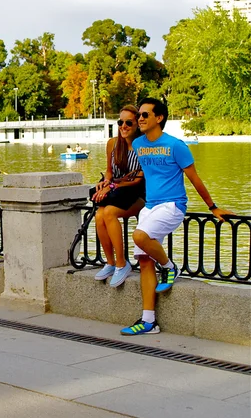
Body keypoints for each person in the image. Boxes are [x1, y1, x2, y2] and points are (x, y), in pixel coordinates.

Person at [120, 98, 233, 336]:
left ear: (159, 118)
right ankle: (148, 321)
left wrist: (213, 207)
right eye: (138, 115)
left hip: (172, 206)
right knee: (144, 261)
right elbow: (138, 167)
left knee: (140, 236)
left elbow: (194, 178)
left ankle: (170, 267)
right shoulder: (139, 144)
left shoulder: (176, 145)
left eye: (144, 115)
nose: (140, 119)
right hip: (150, 207)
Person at [92, 105, 145, 287]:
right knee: (99, 215)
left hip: (138, 195)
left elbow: (137, 180)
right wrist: (105, 182)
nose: (123, 126)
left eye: (128, 122)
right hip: (116, 193)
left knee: (109, 213)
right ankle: (110, 262)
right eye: (120, 122)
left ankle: (122, 264)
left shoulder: (143, 147)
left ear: (137, 124)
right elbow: (109, 171)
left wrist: (111, 186)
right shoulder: (113, 144)